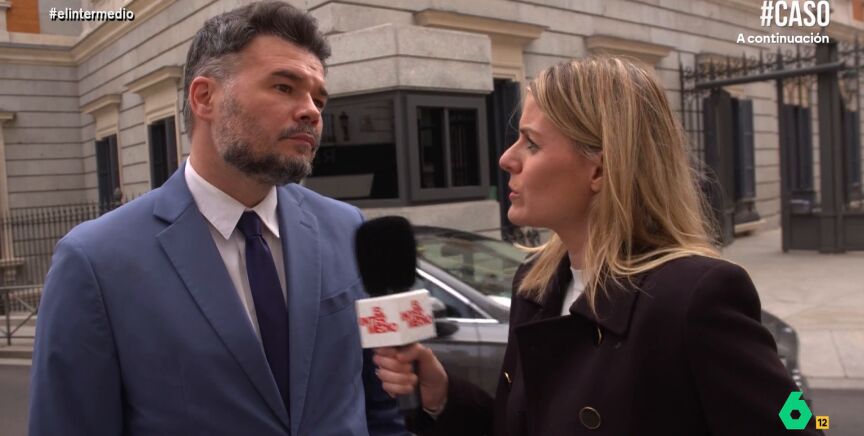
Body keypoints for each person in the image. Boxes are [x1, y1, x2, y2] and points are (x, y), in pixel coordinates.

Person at [374, 57, 823, 435]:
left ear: (600, 170)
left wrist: (800, 416)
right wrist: (443, 395)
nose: (507, 158)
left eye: (531, 143)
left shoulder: (695, 295)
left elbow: (797, 421)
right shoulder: (536, 286)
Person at [29, 2, 406, 435]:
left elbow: (380, 407)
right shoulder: (95, 261)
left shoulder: (345, 227)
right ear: (205, 97)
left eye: (318, 98)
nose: (312, 111)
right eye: (284, 87)